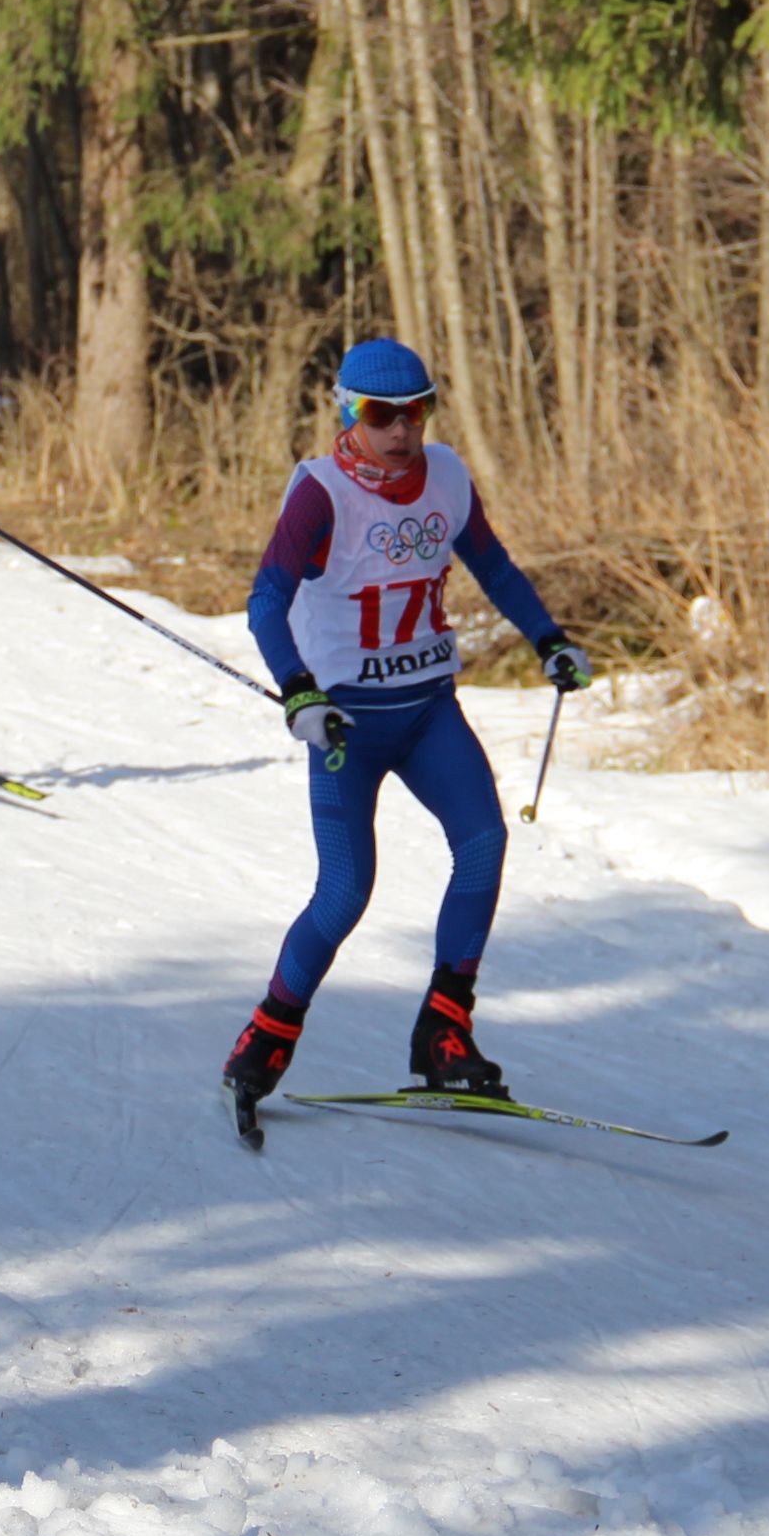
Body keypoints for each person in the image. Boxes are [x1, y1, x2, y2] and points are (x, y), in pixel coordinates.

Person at [218, 338, 589, 1129]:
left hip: (427, 710)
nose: (399, 431)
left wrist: (549, 638)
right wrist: (299, 694)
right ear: (347, 413)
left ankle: (444, 1033)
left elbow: (492, 564)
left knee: (484, 844)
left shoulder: (447, 474)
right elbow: (264, 604)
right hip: (347, 725)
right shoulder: (320, 495)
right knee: (347, 892)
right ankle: (266, 1037)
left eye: (414, 411)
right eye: (381, 415)